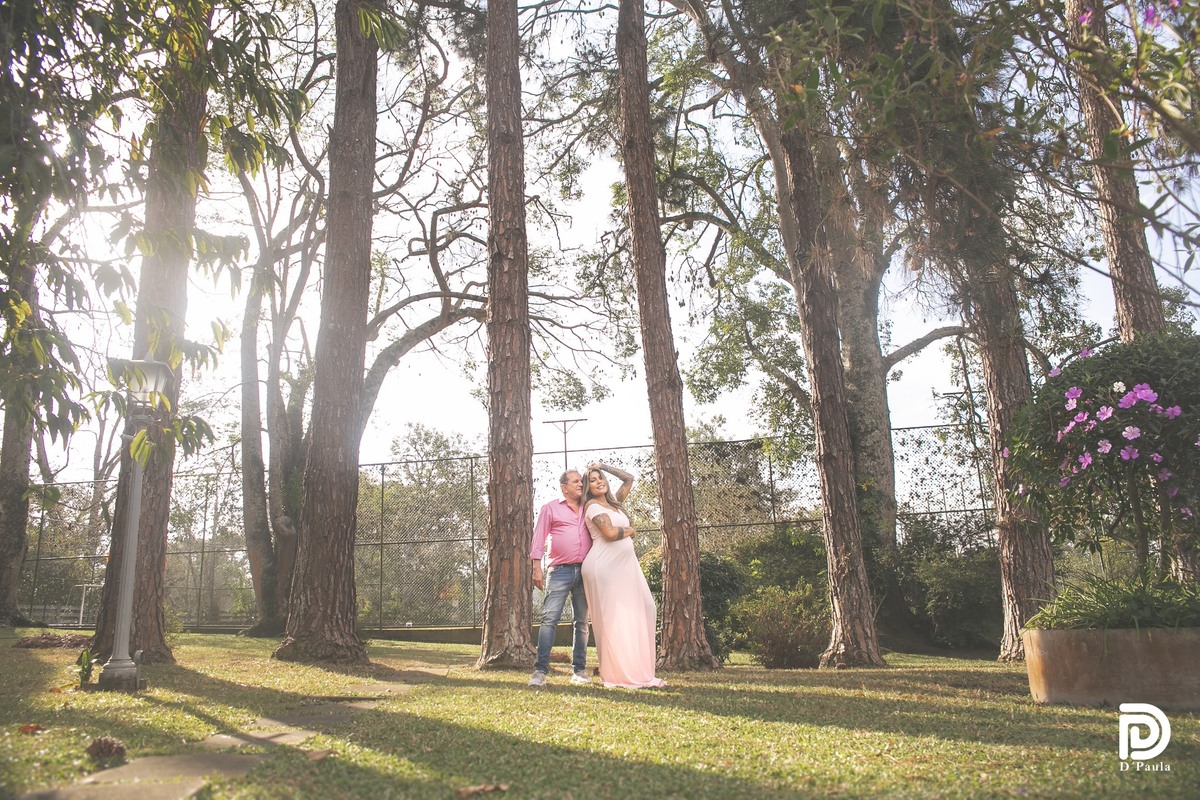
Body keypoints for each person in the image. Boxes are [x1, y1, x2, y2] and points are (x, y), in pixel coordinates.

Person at [581, 462, 666, 688]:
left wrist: (603, 466)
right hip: (604, 567)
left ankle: (640, 671)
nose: (599, 482)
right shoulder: (591, 506)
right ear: (587, 487)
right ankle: (617, 674)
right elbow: (609, 534)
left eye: (601, 478)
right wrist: (631, 530)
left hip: (625, 566)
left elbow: (629, 478)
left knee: (647, 607)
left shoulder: (615, 504)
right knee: (613, 619)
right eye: (593, 480)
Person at [528, 469, 592, 687]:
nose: (580, 485)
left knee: (582, 622)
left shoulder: (590, 507)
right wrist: (537, 567)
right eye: (576, 482)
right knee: (549, 619)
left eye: (582, 481)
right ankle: (540, 672)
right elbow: (539, 538)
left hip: (586, 571)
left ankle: (579, 671)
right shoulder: (550, 509)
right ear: (564, 487)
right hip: (559, 571)